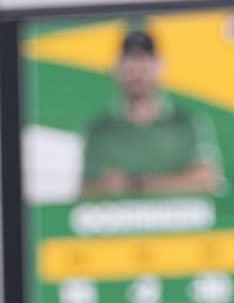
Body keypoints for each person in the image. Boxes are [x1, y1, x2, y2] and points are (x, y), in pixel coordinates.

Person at [79, 26, 223, 199]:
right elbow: (85, 189)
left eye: (143, 69)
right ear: (117, 70)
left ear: (159, 68)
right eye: (131, 69)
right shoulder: (99, 130)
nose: (137, 77)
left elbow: (206, 180)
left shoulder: (188, 122)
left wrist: (135, 183)